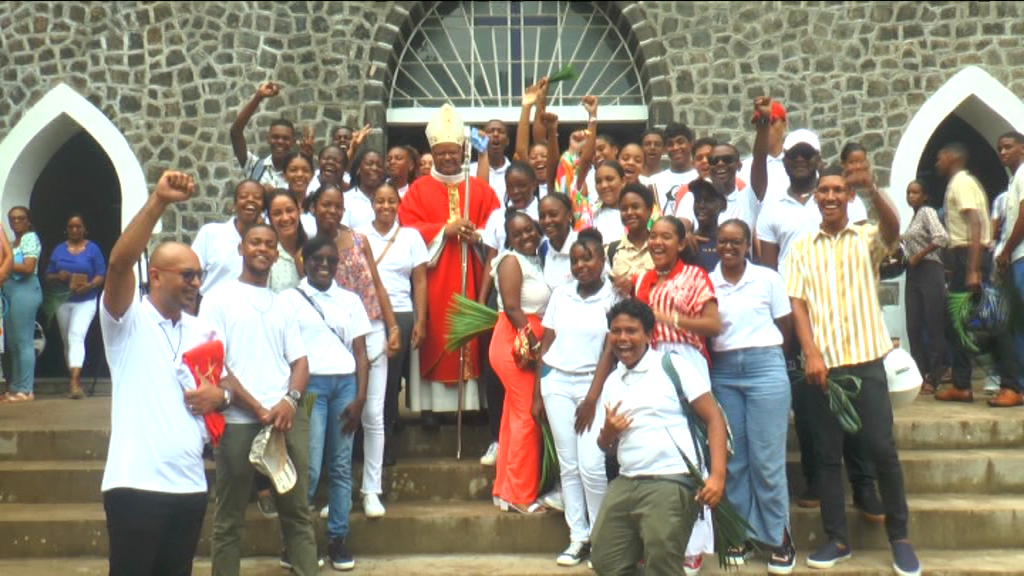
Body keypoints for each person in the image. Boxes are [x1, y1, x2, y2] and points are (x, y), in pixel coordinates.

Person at [785, 165, 921, 574]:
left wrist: (874, 191)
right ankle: (837, 539)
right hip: (821, 369)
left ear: (848, 197)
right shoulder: (801, 247)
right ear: (815, 198)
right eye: (823, 190)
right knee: (827, 458)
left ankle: (900, 538)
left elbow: (894, 229)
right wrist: (810, 353)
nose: (829, 196)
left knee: (882, 450)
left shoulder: (865, 238)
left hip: (865, 362)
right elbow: (798, 305)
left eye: (838, 190)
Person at [752, 97, 880, 516]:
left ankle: (863, 485)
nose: (801, 162)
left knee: (855, 403)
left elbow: (865, 253)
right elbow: (769, 270)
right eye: (794, 156)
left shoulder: (846, 200)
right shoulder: (772, 207)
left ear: (819, 160)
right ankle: (813, 478)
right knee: (808, 406)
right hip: (795, 318)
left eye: (808, 156)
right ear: (784, 160)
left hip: (842, 315)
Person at [99, 171, 227, 576]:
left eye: (198, 275)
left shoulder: (203, 329)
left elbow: (223, 388)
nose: (195, 282)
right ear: (155, 276)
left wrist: (221, 397)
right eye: (185, 275)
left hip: (190, 486)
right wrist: (158, 202)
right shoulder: (126, 321)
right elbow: (119, 264)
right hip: (136, 486)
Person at [200, 224, 318, 576]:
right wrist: (256, 407)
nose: (263, 249)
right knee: (229, 517)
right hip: (238, 420)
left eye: (270, 244)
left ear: (277, 253)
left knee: (297, 513)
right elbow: (214, 367)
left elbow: (300, 362)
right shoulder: (219, 299)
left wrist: (290, 402)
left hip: (285, 419)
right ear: (241, 249)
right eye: (255, 242)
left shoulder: (283, 304)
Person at [590, 299, 728, 576]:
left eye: (631, 331)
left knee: (662, 565)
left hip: (671, 480)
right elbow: (605, 445)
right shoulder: (613, 381)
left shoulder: (672, 366)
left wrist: (717, 476)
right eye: (616, 331)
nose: (623, 338)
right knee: (606, 560)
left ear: (650, 335)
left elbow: (715, 418)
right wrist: (609, 432)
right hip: (627, 480)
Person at [397, 104, 501, 416]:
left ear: (462, 152)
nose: (447, 158)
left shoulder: (480, 189)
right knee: (435, 335)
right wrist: (445, 230)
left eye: (453, 153)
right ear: (433, 152)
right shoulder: (418, 189)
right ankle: (431, 409)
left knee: (472, 338)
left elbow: (498, 230)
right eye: (441, 153)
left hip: (473, 279)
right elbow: (408, 231)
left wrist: (477, 237)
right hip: (434, 280)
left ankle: (471, 408)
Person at [310, 183, 401, 518]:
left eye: (337, 206)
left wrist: (392, 327)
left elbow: (377, 286)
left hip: (373, 330)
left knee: (373, 414)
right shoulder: (308, 245)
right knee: (342, 417)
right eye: (325, 205)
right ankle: (340, 493)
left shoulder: (360, 240)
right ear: (314, 207)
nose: (332, 212)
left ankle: (372, 490)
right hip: (334, 339)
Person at [709, 219, 795, 573]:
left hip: (765, 368)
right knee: (736, 459)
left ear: (748, 245)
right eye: (723, 242)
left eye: (736, 242)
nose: (728, 248)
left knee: (767, 460)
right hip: (724, 372)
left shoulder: (767, 279)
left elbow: (785, 326)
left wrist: (773, 360)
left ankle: (778, 537)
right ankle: (741, 534)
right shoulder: (708, 282)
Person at [281, 235, 371, 571]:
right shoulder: (290, 299)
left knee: (341, 465)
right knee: (309, 465)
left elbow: (361, 353)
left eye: (330, 260)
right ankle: (295, 541)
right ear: (304, 260)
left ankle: (338, 538)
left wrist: (361, 397)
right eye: (317, 258)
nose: (324, 265)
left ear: (337, 264)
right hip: (311, 389)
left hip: (345, 386)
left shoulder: (349, 300)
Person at [536, 228, 614, 566]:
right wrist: (540, 390)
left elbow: (610, 353)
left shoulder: (614, 297)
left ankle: (602, 540)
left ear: (602, 260)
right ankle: (577, 537)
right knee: (568, 466)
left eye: (588, 258)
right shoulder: (562, 295)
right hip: (556, 384)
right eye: (576, 260)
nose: (582, 265)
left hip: (591, 386)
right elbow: (546, 343)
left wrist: (593, 399)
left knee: (593, 466)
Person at [934, 143, 1021, 405]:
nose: (937, 163)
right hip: (965, 258)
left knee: (988, 323)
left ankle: (1009, 385)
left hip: (969, 258)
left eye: (939, 157)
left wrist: (972, 268)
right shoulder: (962, 183)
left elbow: (975, 221)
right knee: (962, 323)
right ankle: (964, 384)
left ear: (950, 158)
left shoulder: (961, 183)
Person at [357, 181, 429, 465]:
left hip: (400, 313)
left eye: (391, 201)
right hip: (366, 316)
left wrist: (421, 320)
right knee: (365, 379)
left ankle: (384, 443)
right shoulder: (360, 234)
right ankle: (361, 441)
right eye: (380, 201)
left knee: (389, 384)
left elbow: (420, 281)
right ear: (372, 204)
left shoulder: (411, 236)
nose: (385, 206)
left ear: (399, 205)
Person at [490, 210, 551, 513]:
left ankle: (504, 489)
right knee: (528, 415)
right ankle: (520, 495)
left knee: (513, 417)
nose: (526, 236)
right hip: (516, 340)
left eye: (530, 229)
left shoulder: (536, 259)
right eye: (518, 233)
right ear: (509, 239)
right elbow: (513, 307)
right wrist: (535, 344)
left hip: (525, 338)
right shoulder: (511, 261)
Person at [44, 214, 106, 399]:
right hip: (63, 300)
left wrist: (90, 285)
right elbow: (48, 274)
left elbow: (101, 273)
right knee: (67, 340)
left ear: (84, 228)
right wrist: (58, 276)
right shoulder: (59, 250)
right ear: (67, 229)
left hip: (86, 299)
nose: (75, 230)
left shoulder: (93, 249)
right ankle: (73, 376)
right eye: (71, 226)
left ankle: (75, 383)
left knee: (75, 336)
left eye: (78, 226)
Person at [901, 180, 949, 396]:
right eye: (908, 192)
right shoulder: (912, 219)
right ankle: (921, 373)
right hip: (914, 273)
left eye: (916, 192)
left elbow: (942, 237)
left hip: (929, 269)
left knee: (933, 322)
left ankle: (936, 374)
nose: (911, 196)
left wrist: (919, 255)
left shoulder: (928, 212)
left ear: (925, 196)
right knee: (913, 325)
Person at [192, 180, 265, 296]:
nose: (250, 200)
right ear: (234, 205)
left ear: (263, 207)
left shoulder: (267, 244)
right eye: (243, 196)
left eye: (257, 197)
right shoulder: (211, 233)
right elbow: (192, 274)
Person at [995, 131, 1024, 407]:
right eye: (1000, 148)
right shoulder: (1014, 179)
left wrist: (1005, 250)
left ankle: (1018, 386)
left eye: (1008, 147)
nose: (1003, 152)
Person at [2, 207, 42, 404]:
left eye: (21, 218)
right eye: (13, 219)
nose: (16, 221)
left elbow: (28, 267)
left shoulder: (30, 238)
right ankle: (16, 387)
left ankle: (26, 389)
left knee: (23, 342)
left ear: (28, 221)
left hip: (25, 290)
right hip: (11, 292)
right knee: (13, 343)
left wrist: (5, 264)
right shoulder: (12, 243)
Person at [229, 82, 294, 189]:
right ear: (268, 139)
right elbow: (235, 132)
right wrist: (258, 97)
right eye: (275, 137)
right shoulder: (255, 167)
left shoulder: (297, 175)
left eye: (285, 138)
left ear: (292, 142)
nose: (280, 142)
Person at [608, 183, 655, 295]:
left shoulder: (660, 247)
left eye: (635, 207)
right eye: (624, 209)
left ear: (649, 211)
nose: (629, 213)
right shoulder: (612, 250)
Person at [650, 122, 698, 217]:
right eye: (670, 144)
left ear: (691, 144)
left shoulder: (700, 178)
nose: (675, 148)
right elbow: (653, 217)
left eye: (680, 142)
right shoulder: (654, 181)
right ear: (665, 149)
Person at [265, 189, 307, 293]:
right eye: (277, 213)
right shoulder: (267, 256)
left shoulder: (313, 248)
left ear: (299, 211)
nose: (285, 218)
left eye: (289, 210)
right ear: (269, 218)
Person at [537, 192, 578, 289]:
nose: (547, 221)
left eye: (553, 215)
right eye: (542, 216)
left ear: (569, 216)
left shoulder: (585, 244)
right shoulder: (543, 249)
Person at [690, 179, 728, 273]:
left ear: (723, 205)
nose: (701, 206)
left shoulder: (730, 243)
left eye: (708, 200)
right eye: (697, 200)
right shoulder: (687, 244)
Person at [471, 119, 512, 204]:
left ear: (508, 141)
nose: (496, 134)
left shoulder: (514, 170)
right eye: (490, 131)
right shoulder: (469, 170)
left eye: (500, 131)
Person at [345, 149, 387, 230]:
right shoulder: (346, 199)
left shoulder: (389, 200)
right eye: (369, 164)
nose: (374, 168)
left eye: (379, 165)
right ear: (358, 169)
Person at [591, 162, 626, 244]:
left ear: (623, 181)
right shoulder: (589, 216)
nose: (604, 185)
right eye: (598, 181)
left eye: (609, 179)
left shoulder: (636, 214)